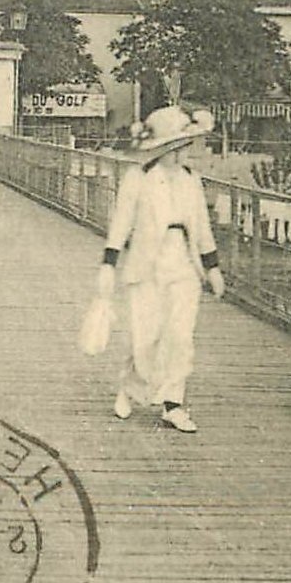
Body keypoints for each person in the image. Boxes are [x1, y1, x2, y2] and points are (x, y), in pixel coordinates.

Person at [97, 105, 225, 433]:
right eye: (181, 145)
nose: (185, 151)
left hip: (183, 262)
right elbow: (122, 223)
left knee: (180, 335)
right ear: (166, 147)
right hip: (146, 264)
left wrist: (213, 268)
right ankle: (130, 389)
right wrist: (109, 265)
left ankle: (173, 403)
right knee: (146, 334)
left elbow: (202, 226)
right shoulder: (138, 179)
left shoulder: (191, 181)